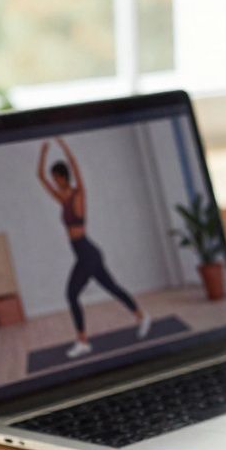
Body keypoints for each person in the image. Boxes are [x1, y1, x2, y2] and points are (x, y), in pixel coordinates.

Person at [36, 136, 150, 359]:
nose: (54, 181)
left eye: (55, 178)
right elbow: (39, 177)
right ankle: (141, 315)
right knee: (112, 288)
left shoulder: (78, 194)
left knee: (71, 295)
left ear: (62, 177)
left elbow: (76, 167)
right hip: (86, 253)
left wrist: (63, 145)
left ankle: (83, 341)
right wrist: (43, 153)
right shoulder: (62, 198)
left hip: (87, 253)